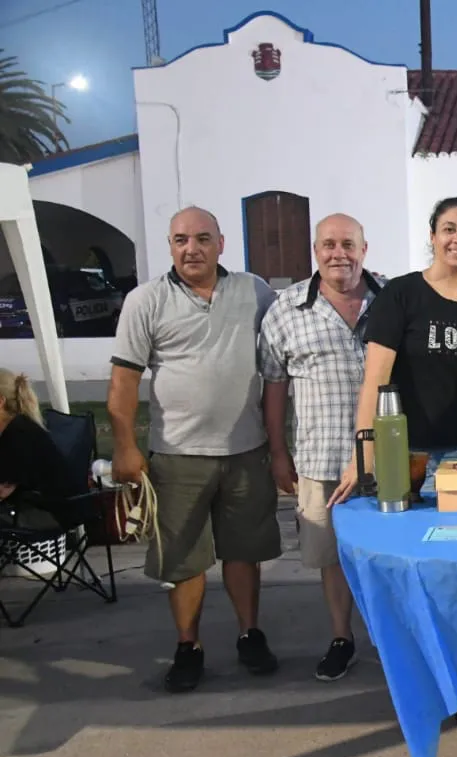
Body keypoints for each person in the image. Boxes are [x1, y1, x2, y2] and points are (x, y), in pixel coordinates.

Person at [108, 206, 282, 693]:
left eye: (203, 238)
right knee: (184, 559)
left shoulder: (255, 292)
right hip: (177, 455)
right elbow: (123, 382)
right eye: (181, 239)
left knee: (244, 552)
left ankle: (250, 634)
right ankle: (189, 646)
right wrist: (125, 446)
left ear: (221, 243)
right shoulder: (145, 301)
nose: (192, 249)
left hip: (247, 450)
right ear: (169, 246)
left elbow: (287, 339)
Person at [258, 213, 381, 682]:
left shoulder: (391, 299)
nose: (339, 254)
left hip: (385, 458)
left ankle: (393, 640)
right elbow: (274, 385)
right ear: (315, 251)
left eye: (348, 244)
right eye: (329, 244)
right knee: (329, 557)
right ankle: (341, 638)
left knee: (388, 556)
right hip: (320, 457)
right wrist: (278, 452)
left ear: (364, 249)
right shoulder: (286, 309)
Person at [331, 198, 457, 505]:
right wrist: (362, 461)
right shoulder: (401, 294)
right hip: (407, 454)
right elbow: (375, 381)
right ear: (433, 236)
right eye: (449, 229)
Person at [0, 369, 80, 532]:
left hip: (47, 514)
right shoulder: (15, 428)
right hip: (30, 508)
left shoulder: (19, 433)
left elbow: (3, 489)